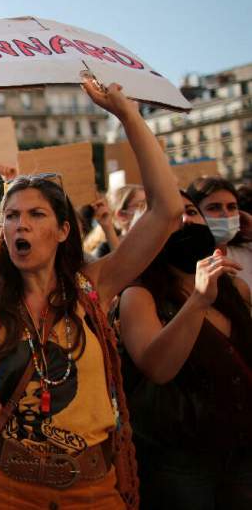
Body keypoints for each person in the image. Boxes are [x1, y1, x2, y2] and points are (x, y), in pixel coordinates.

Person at [0, 79, 183, 509]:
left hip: (91, 492)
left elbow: (167, 211)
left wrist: (128, 115)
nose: (20, 224)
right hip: (4, 493)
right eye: (12, 216)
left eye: (36, 214)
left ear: (62, 231)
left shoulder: (95, 285)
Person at [117, 191, 251, 509]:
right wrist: (198, 301)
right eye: (169, 216)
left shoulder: (235, 288)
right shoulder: (138, 295)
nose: (185, 220)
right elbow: (158, 368)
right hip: (181, 462)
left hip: (243, 449)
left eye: (191, 211)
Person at [187, 176, 252, 288]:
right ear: (195, 213)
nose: (226, 214)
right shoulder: (186, 267)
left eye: (231, 207)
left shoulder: (247, 251)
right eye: (213, 208)